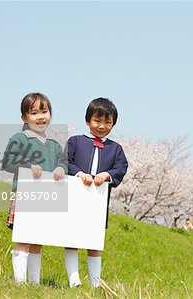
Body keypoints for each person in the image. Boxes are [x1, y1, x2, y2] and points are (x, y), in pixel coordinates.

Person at [2, 92, 66, 285]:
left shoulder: (54, 146)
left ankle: (35, 283)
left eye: (44, 112)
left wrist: (60, 168)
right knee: (23, 238)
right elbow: (8, 162)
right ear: (24, 117)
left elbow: (64, 163)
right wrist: (28, 165)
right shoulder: (20, 139)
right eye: (34, 112)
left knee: (38, 240)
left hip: (47, 197)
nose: (40, 117)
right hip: (25, 195)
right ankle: (20, 283)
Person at [64, 97, 128, 288]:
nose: (102, 126)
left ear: (113, 124)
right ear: (87, 120)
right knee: (71, 238)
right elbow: (64, 162)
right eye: (97, 120)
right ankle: (74, 280)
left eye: (108, 122)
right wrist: (78, 173)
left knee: (94, 241)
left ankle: (95, 282)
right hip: (74, 197)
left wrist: (107, 175)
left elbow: (121, 167)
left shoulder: (116, 149)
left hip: (98, 201)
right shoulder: (75, 141)